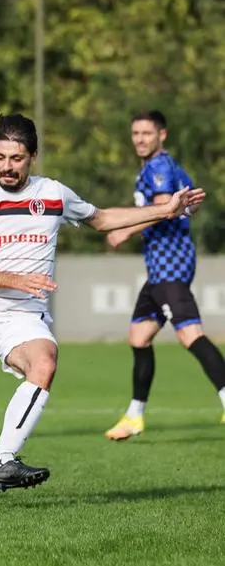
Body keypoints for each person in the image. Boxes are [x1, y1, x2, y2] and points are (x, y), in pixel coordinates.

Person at [0, 113, 205, 493]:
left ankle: (2, 462)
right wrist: (18, 279)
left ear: (32, 156)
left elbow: (101, 219)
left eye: (16, 158)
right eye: (0, 157)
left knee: (45, 360)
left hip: (22, 316)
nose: (7, 166)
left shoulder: (52, 194)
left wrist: (166, 209)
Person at [103, 110, 225, 439]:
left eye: (146, 133)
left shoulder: (158, 167)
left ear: (162, 135)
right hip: (158, 267)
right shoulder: (164, 166)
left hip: (170, 262)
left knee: (190, 334)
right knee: (139, 336)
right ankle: (134, 416)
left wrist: (124, 230)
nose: (140, 139)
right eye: (135, 134)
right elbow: (187, 204)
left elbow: (164, 210)